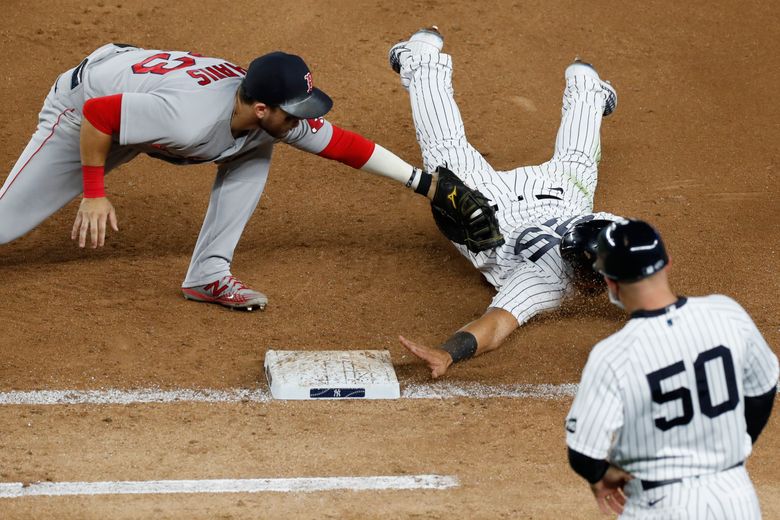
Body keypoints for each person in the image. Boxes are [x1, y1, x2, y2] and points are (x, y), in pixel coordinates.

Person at [0, 43, 494, 311]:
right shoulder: (188, 119)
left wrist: (425, 184)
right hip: (83, 109)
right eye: (294, 110)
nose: (302, 120)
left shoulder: (263, 117)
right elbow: (100, 117)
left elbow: (343, 144)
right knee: (6, 224)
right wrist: (94, 194)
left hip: (142, 103)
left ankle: (208, 276)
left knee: (257, 150)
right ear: (262, 106)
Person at [388, 28, 622, 377]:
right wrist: (449, 353)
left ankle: (586, 86)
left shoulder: (608, 229)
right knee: (446, 149)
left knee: (577, 162)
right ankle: (422, 57)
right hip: (490, 209)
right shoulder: (545, 280)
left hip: (556, 197)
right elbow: (495, 324)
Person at [565, 219, 778, 518]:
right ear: (667, 265)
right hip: (735, 498)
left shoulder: (613, 355)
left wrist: (603, 476)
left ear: (610, 282)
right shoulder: (727, 313)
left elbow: (584, 453)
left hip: (661, 505)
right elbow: (763, 390)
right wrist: (733, 446)